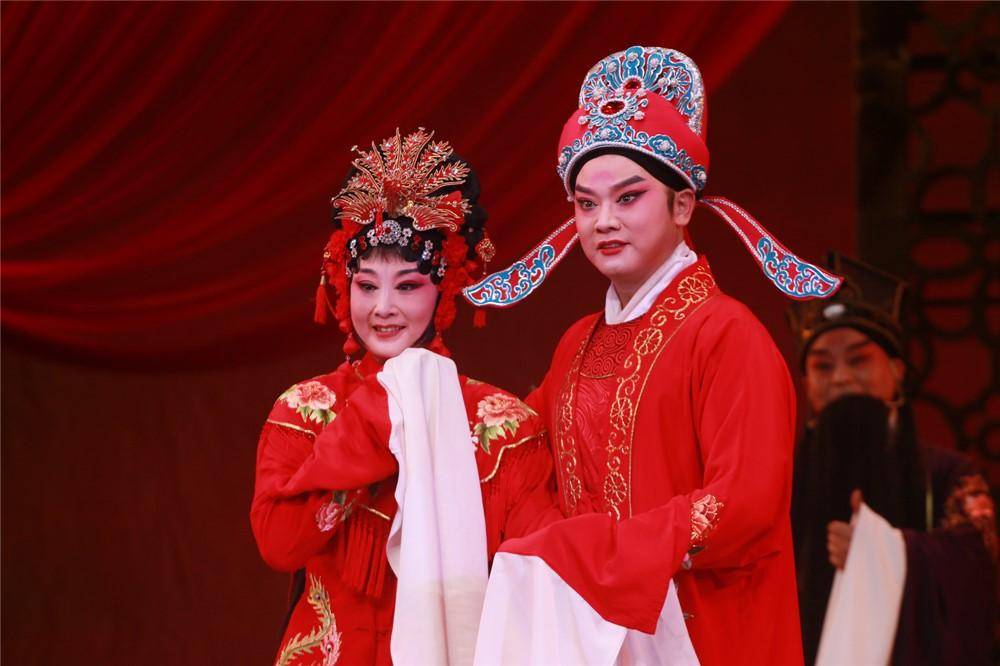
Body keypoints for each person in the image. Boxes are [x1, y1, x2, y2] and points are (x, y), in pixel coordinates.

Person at [467, 46, 842, 665]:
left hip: (706, 634)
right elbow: (521, 452)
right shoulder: (577, 344)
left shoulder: (726, 334)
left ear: (683, 205)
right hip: (589, 636)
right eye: (587, 204)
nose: (604, 221)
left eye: (629, 197)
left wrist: (604, 552)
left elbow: (743, 502)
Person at [250, 128, 557, 666]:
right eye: (368, 285)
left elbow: (543, 568)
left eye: (408, 286)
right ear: (344, 285)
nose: (383, 308)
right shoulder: (307, 409)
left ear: (445, 288)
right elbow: (279, 543)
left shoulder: (502, 427)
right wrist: (374, 426)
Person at [788, 252, 997, 665]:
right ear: (806, 383)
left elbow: (981, 562)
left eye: (859, 359)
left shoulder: (948, 476)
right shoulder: (780, 482)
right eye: (823, 366)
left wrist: (879, 550)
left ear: (898, 369)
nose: (842, 378)